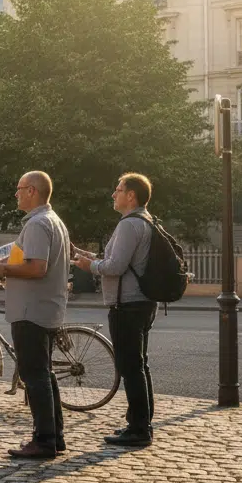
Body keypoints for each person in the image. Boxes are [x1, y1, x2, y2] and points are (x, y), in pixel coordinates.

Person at [73, 173, 157, 448]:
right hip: (141, 302)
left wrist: (90, 267)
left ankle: (139, 429)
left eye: (118, 189)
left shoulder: (129, 225)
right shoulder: (145, 220)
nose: (113, 194)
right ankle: (140, 422)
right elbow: (116, 261)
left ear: (130, 195)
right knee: (138, 365)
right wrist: (92, 259)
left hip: (128, 305)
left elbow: (115, 267)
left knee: (130, 367)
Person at [0, 171, 70, 459]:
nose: (16, 194)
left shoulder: (38, 224)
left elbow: (37, 268)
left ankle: (44, 439)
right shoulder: (53, 221)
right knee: (44, 375)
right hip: (43, 308)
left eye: (19, 188)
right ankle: (54, 436)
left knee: (35, 376)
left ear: (33, 191)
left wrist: (4, 269)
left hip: (31, 311)